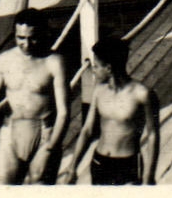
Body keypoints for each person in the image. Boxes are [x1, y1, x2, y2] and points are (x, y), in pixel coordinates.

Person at [0, 9, 70, 185]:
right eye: (20, 38)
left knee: (39, 195)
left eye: (33, 38)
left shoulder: (54, 62)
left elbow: (64, 113)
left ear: (43, 33)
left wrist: (51, 148)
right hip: (11, 131)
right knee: (3, 193)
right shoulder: (4, 59)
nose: (26, 44)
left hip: (44, 134)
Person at [64, 37, 159, 185]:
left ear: (108, 68)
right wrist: (72, 168)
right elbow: (87, 130)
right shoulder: (99, 92)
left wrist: (149, 175)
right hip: (99, 162)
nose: (93, 70)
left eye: (96, 66)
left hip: (128, 165)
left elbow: (153, 135)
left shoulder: (142, 94)